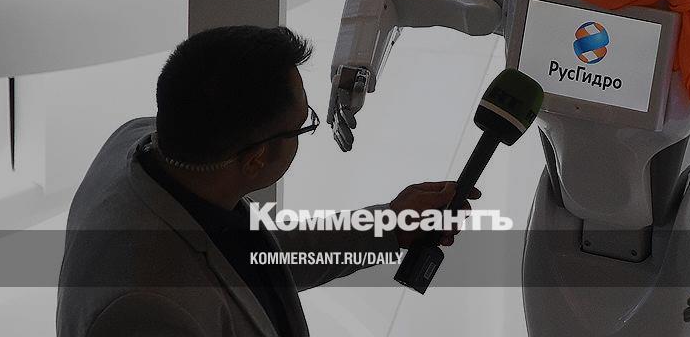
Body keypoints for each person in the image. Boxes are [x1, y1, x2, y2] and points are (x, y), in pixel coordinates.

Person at [57, 25, 478, 337]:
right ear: (256, 157)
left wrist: (387, 226)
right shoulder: (150, 310)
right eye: (303, 125)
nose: (305, 131)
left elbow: (255, 255)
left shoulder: (149, 142)